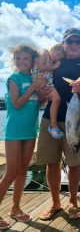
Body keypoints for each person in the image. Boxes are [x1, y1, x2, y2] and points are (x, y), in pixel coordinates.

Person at [36, 28, 80, 220]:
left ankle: (73, 202)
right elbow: (41, 79)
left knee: (73, 164)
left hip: (76, 119)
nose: (73, 44)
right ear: (63, 44)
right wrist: (41, 94)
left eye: (77, 41)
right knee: (52, 163)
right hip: (50, 119)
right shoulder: (55, 64)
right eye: (69, 41)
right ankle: (55, 203)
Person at [0, 44, 47, 230]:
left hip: (30, 130)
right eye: (18, 58)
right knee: (11, 171)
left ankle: (15, 208)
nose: (21, 62)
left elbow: (35, 105)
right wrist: (34, 87)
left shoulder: (37, 78)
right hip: (14, 131)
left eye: (25, 58)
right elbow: (18, 104)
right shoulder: (14, 78)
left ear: (32, 60)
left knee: (23, 169)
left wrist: (44, 97)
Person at [32, 44, 66, 138]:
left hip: (45, 84)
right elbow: (41, 67)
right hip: (40, 83)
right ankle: (53, 126)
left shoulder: (51, 61)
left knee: (50, 101)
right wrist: (55, 66)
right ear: (53, 49)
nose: (57, 57)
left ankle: (36, 126)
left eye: (59, 57)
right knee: (57, 100)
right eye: (58, 53)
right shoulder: (44, 54)